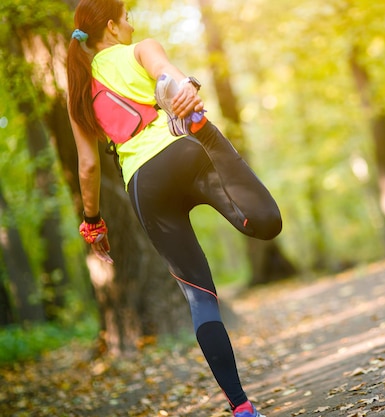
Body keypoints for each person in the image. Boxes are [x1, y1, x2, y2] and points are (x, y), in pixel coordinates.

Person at [66, 0, 282, 416]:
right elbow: (174, 80)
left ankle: (242, 408)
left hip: (143, 187)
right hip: (185, 153)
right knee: (265, 223)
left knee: (200, 297)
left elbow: (89, 165)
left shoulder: (77, 91)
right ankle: (210, 135)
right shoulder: (141, 49)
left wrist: (93, 223)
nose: (131, 23)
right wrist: (186, 92)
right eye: (125, 16)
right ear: (111, 26)